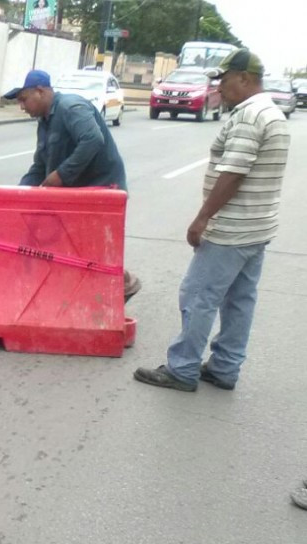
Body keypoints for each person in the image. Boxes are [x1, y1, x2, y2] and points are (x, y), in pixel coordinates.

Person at [134, 49, 290, 392]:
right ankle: (224, 367)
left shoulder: (249, 115)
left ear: (244, 79)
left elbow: (234, 172)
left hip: (231, 230)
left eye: (224, 79)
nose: (219, 87)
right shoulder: (272, 112)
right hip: (257, 227)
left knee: (198, 296)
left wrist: (202, 218)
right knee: (239, 300)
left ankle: (182, 369)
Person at [3, 69, 141, 301]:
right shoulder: (44, 122)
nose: (22, 106)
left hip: (103, 191)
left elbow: (93, 139)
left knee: (92, 249)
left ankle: (122, 286)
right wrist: (19, 193)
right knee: (68, 246)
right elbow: (40, 166)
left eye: (24, 99)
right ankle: (74, 296)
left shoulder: (71, 107)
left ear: (40, 91)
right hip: (77, 195)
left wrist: (61, 175)